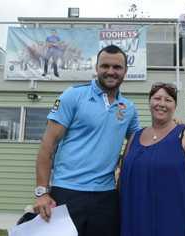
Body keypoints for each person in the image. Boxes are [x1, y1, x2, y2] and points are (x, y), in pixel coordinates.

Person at [34, 45, 140, 236]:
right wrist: (42, 193)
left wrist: (171, 126)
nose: (110, 71)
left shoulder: (129, 108)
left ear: (125, 71)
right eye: (105, 66)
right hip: (67, 191)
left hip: (106, 196)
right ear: (96, 67)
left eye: (117, 67)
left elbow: (140, 141)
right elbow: (48, 145)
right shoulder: (73, 96)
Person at [120, 82, 185, 236]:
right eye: (157, 98)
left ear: (175, 105)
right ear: (150, 102)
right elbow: (124, 177)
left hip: (176, 222)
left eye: (168, 100)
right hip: (138, 220)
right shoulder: (134, 137)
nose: (162, 104)